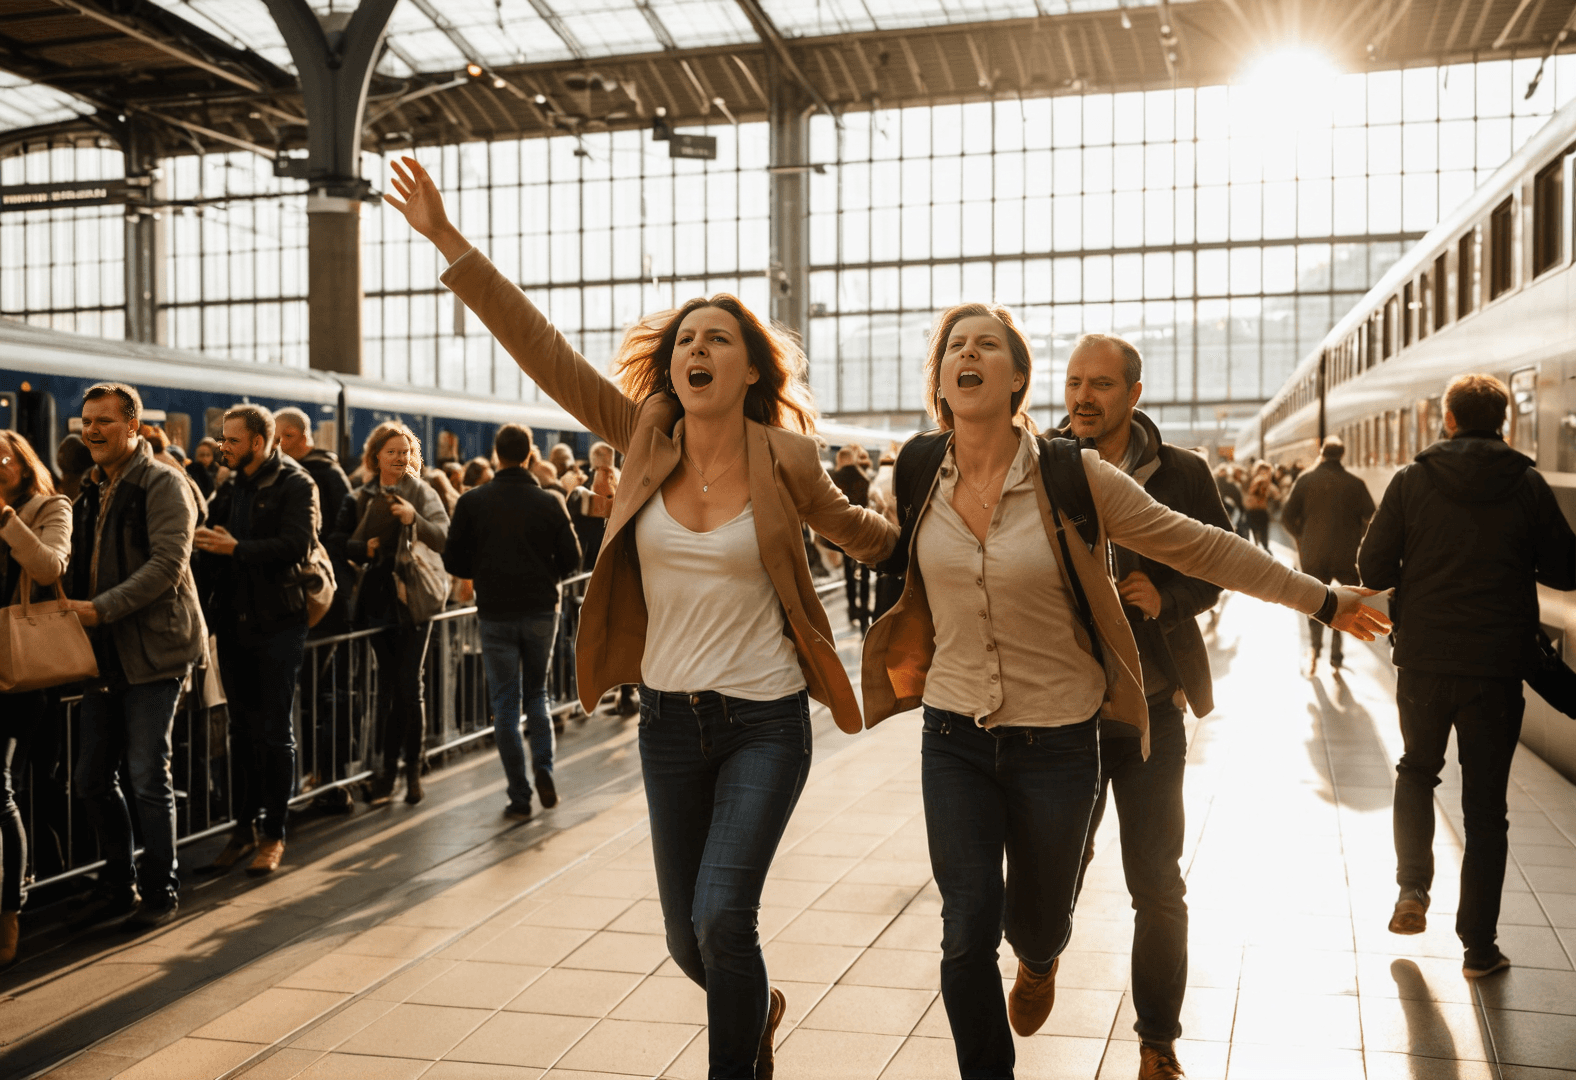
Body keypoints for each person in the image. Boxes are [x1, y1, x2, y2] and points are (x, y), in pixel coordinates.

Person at [385, 153, 895, 1080]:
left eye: (718, 339)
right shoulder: (642, 438)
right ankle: (760, 1009)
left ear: (749, 370)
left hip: (765, 722)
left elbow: (870, 538)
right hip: (667, 723)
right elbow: (542, 348)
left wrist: (944, 509)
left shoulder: (788, 459)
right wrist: (448, 242)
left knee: (720, 918)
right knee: (686, 940)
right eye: (685, 340)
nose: (696, 349)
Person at [861, 303, 1388, 1080]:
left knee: (1036, 923)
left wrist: (1321, 598)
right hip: (955, 736)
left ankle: (1042, 960)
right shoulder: (916, 470)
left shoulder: (1073, 475)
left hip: (1059, 737)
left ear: (1015, 380)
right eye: (953, 347)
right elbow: (882, 548)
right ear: (942, 379)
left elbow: (1204, 545)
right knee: (966, 928)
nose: (966, 353)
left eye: (987, 346)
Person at [1055, 334, 1233, 1080]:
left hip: (1152, 711)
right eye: (1073, 382)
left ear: (1133, 392)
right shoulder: (1042, 464)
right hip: (1062, 715)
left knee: (1157, 883)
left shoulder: (1184, 472)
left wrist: (1169, 598)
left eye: (1100, 383)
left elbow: (1218, 565)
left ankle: (1157, 1042)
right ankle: (1038, 954)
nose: (1082, 396)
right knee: (1056, 865)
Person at [1358, 374, 1576, 979]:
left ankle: (1412, 890)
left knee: (1416, 769)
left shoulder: (1411, 479)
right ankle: (1479, 948)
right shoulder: (1528, 484)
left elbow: (1372, 565)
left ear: (1448, 419)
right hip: (1498, 668)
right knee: (1486, 810)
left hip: (1425, 659)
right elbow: (1564, 570)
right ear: (1503, 421)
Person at [64, 383, 205, 929]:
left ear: (133, 426)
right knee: (92, 777)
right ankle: (118, 884)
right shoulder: (89, 490)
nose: (92, 431)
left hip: (155, 650)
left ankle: (160, 889)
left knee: (147, 772)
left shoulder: (164, 484)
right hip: (102, 655)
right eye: (86, 421)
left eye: (103, 421)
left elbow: (168, 566)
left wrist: (100, 609)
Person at [194, 404, 319, 876]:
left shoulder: (295, 483)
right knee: (240, 732)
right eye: (222, 439)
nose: (223, 447)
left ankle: (274, 833)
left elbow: (297, 545)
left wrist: (236, 548)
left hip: (278, 622)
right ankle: (242, 829)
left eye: (232, 440)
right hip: (234, 620)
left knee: (274, 732)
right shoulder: (232, 485)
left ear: (261, 442)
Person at [444, 424, 580, 818]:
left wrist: (484, 570)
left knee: (505, 704)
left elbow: (454, 560)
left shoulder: (473, 502)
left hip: (495, 613)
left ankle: (519, 795)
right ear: (530, 455)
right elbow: (573, 561)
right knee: (537, 695)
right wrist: (545, 573)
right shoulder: (551, 501)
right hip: (540, 610)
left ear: (495, 453)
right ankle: (544, 768)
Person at [328, 421, 449, 806]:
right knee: (386, 690)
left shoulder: (423, 492)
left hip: (414, 600)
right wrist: (363, 548)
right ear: (376, 456)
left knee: (409, 687)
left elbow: (446, 537)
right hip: (377, 601)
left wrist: (415, 519)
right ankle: (385, 772)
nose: (400, 458)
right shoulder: (359, 496)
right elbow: (337, 542)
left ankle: (411, 771)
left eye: (406, 451)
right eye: (392, 451)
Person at [0, 431, 71, 966]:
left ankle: (10, 910)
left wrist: (7, 520)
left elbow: (50, 567)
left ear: (24, 464)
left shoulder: (50, 506)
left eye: (4, 459)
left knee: (0, 789)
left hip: (17, 666)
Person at [1281, 437, 1375, 675]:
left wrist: (1302, 538)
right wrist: (1360, 537)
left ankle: (1314, 651)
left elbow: (1286, 517)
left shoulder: (1305, 480)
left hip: (1313, 553)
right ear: (1342, 455)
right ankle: (1336, 655)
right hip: (1346, 554)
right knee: (1343, 603)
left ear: (1322, 453)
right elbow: (1372, 517)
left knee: (1314, 600)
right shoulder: (1355, 483)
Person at [275, 408, 350, 545]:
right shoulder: (281, 472)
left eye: (285, 437)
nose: (278, 445)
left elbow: (346, 521)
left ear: (302, 437)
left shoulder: (328, 471)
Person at [829, 446, 873, 633]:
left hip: (842, 534)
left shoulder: (833, 478)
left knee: (848, 573)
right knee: (863, 573)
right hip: (861, 533)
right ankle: (864, 610)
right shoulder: (863, 478)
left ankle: (852, 609)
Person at [1242, 461, 1276, 550]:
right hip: (1251, 512)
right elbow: (1246, 497)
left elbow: (1276, 495)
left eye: (1267, 472)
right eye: (1262, 472)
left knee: (1264, 543)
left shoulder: (1268, 484)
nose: (1264, 474)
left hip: (1262, 513)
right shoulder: (1250, 481)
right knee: (1251, 543)